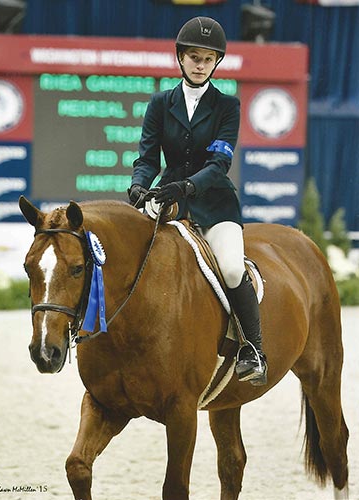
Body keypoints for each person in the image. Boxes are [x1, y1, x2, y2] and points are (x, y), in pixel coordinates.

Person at [128, 16, 267, 386]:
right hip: (169, 199)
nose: (200, 64)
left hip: (214, 203)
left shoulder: (227, 106)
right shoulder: (160, 103)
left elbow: (220, 163)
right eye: (194, 56)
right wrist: (139, 186)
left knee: (233, 269)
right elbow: (146, 158)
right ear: (180, 57)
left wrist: (187, 187)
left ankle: (252, 348)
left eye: (208, 58)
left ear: (216, 62)